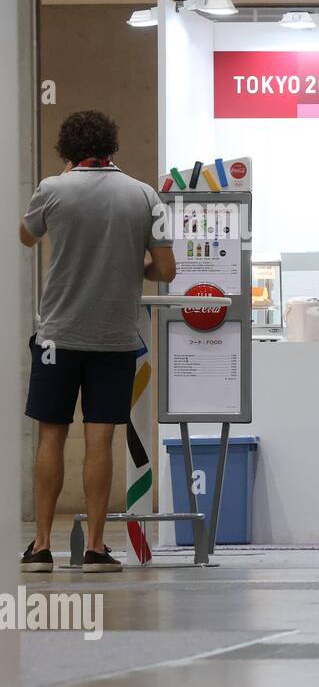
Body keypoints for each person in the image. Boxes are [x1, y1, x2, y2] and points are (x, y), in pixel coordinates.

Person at [19, 110, 175, 574]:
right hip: (114, 337)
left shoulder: (53, 189)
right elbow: (166, 271)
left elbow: (26, 237)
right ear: (112, 147)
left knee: (50, 434)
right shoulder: (143, 195)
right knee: (101, 439)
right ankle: (95, 549)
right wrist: (131, 266)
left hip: (57, 336)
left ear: (67, 150)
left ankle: (42, 546)